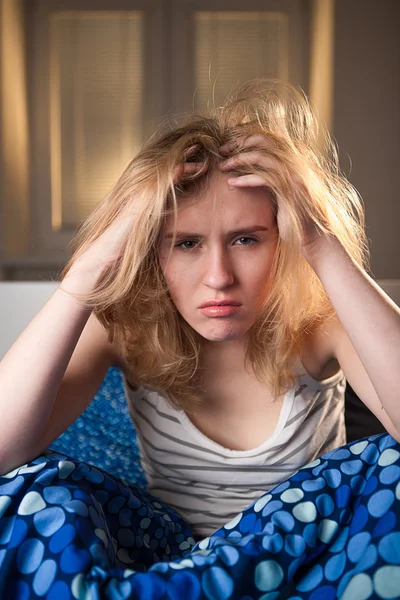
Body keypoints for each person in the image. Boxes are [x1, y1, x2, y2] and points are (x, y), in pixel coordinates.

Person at [0, 79, 399, 599]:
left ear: (283, 236)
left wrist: (322, 245)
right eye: (185, 243)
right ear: (151, 249)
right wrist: (91, 268)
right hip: (166, 552)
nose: (218, 276)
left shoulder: (319, 319)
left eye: (246, 239)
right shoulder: (124, 325)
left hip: (305, 556)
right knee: (28, 491)